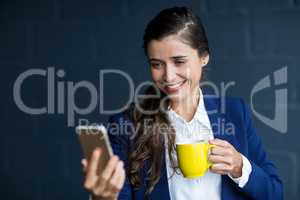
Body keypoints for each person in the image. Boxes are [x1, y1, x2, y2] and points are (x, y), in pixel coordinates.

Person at [81, 6, 283, 200]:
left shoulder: (235, 112)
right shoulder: (127, 124)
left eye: (179, 61)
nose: (168, 76)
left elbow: (275, 193)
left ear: (203, 57)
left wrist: (240, 166)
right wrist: (104, 197)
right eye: (157, 64)